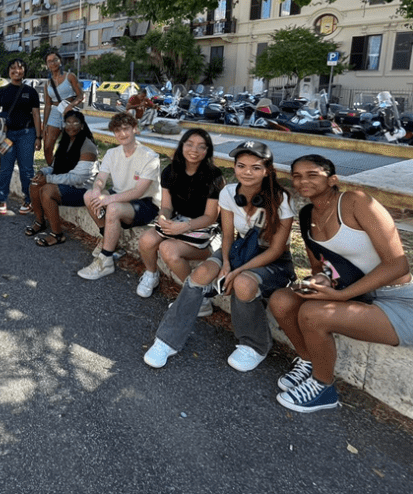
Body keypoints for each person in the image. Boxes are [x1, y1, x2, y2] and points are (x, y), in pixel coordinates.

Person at [268, 154, 413, 413]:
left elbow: (398, 265)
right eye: (296, 175)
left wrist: (341, 297)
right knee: (281, 300)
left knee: (312, 314)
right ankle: (309, 361)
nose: (302, 180)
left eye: (312, 174)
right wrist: (319, 280)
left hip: (397, 302)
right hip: (351, 293)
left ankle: (323, 387)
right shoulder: (307, 215)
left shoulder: (356, 202)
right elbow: (321, 268)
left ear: (332, 179)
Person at [143, 140, 294, 371]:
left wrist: (238, 270)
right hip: (239, 251)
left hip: (272, 259)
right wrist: (224, 262)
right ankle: (167, 339)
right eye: (241, 166)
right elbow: (228, 236)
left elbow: (276, 249)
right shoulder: (230, 193)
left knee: (242, 283)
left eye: (255, 167)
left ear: (267, 171)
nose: (247, 172)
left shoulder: (281, 199)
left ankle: (255, 345)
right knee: (202, 272)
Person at [136, 128, 224, 306]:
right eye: (189, 144)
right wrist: (162, 217)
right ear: (182, 145)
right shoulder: (171, 171)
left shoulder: (215, 176)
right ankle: (152, 274)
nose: (194, 150)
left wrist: (185, 227)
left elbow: (210, 217)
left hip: (206, 232)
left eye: (201, 146)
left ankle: (198, 296)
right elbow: (167, 206)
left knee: (168, 249)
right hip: (179, 222)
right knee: (146, 240)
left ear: (208, 151)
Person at [77, 112, 161, 280]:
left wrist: (107, 199)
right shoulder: (112, 153)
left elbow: (138, 191)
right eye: (117, 131)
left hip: (144, 204)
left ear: (135, 129)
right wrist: (97, 190)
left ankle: (106, 260)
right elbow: (101, 178)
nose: (122, 134)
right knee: (88, 196)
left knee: (113, 207)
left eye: (126, 129)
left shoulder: (150, 157)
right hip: (119, 196)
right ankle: (107, 238)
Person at [25, 110, 99, 246]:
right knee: (35, 184)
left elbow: (78, 179)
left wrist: (48, 179)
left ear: (82, 126)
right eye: (67, 123)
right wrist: (42, 172)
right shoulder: (65, 142)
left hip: (82, 190)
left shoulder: (88, 147)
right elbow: (55, 167)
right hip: (66, 184)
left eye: (75, 122)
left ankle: (57, 234)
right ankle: (40, 222)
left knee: (47, 190)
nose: (71, 126)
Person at [0, 58, 42, 216]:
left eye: (20, 68)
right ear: (8, 71)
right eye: (13, 68)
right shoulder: (2, 91)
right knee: (5, 169)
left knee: (27, 170)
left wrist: (38, 136)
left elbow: (36, 115)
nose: (17, 71)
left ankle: (28, 200)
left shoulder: (31, 92)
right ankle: (2, 199)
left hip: (27, 135)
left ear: (24, 71)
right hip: (6, 137)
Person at [41, 49, 84, 165]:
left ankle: (72, 170)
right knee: (47, 146)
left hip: (70, 113)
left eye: (55, 60)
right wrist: (44, 124)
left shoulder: (70, 77)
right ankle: (53, 169)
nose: (52, 63)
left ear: (60, 61)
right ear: (47, 65)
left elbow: (80, 95)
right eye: (49, 61)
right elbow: (47, 105)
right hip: (54, 113)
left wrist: (71, 105)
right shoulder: (47, 84)